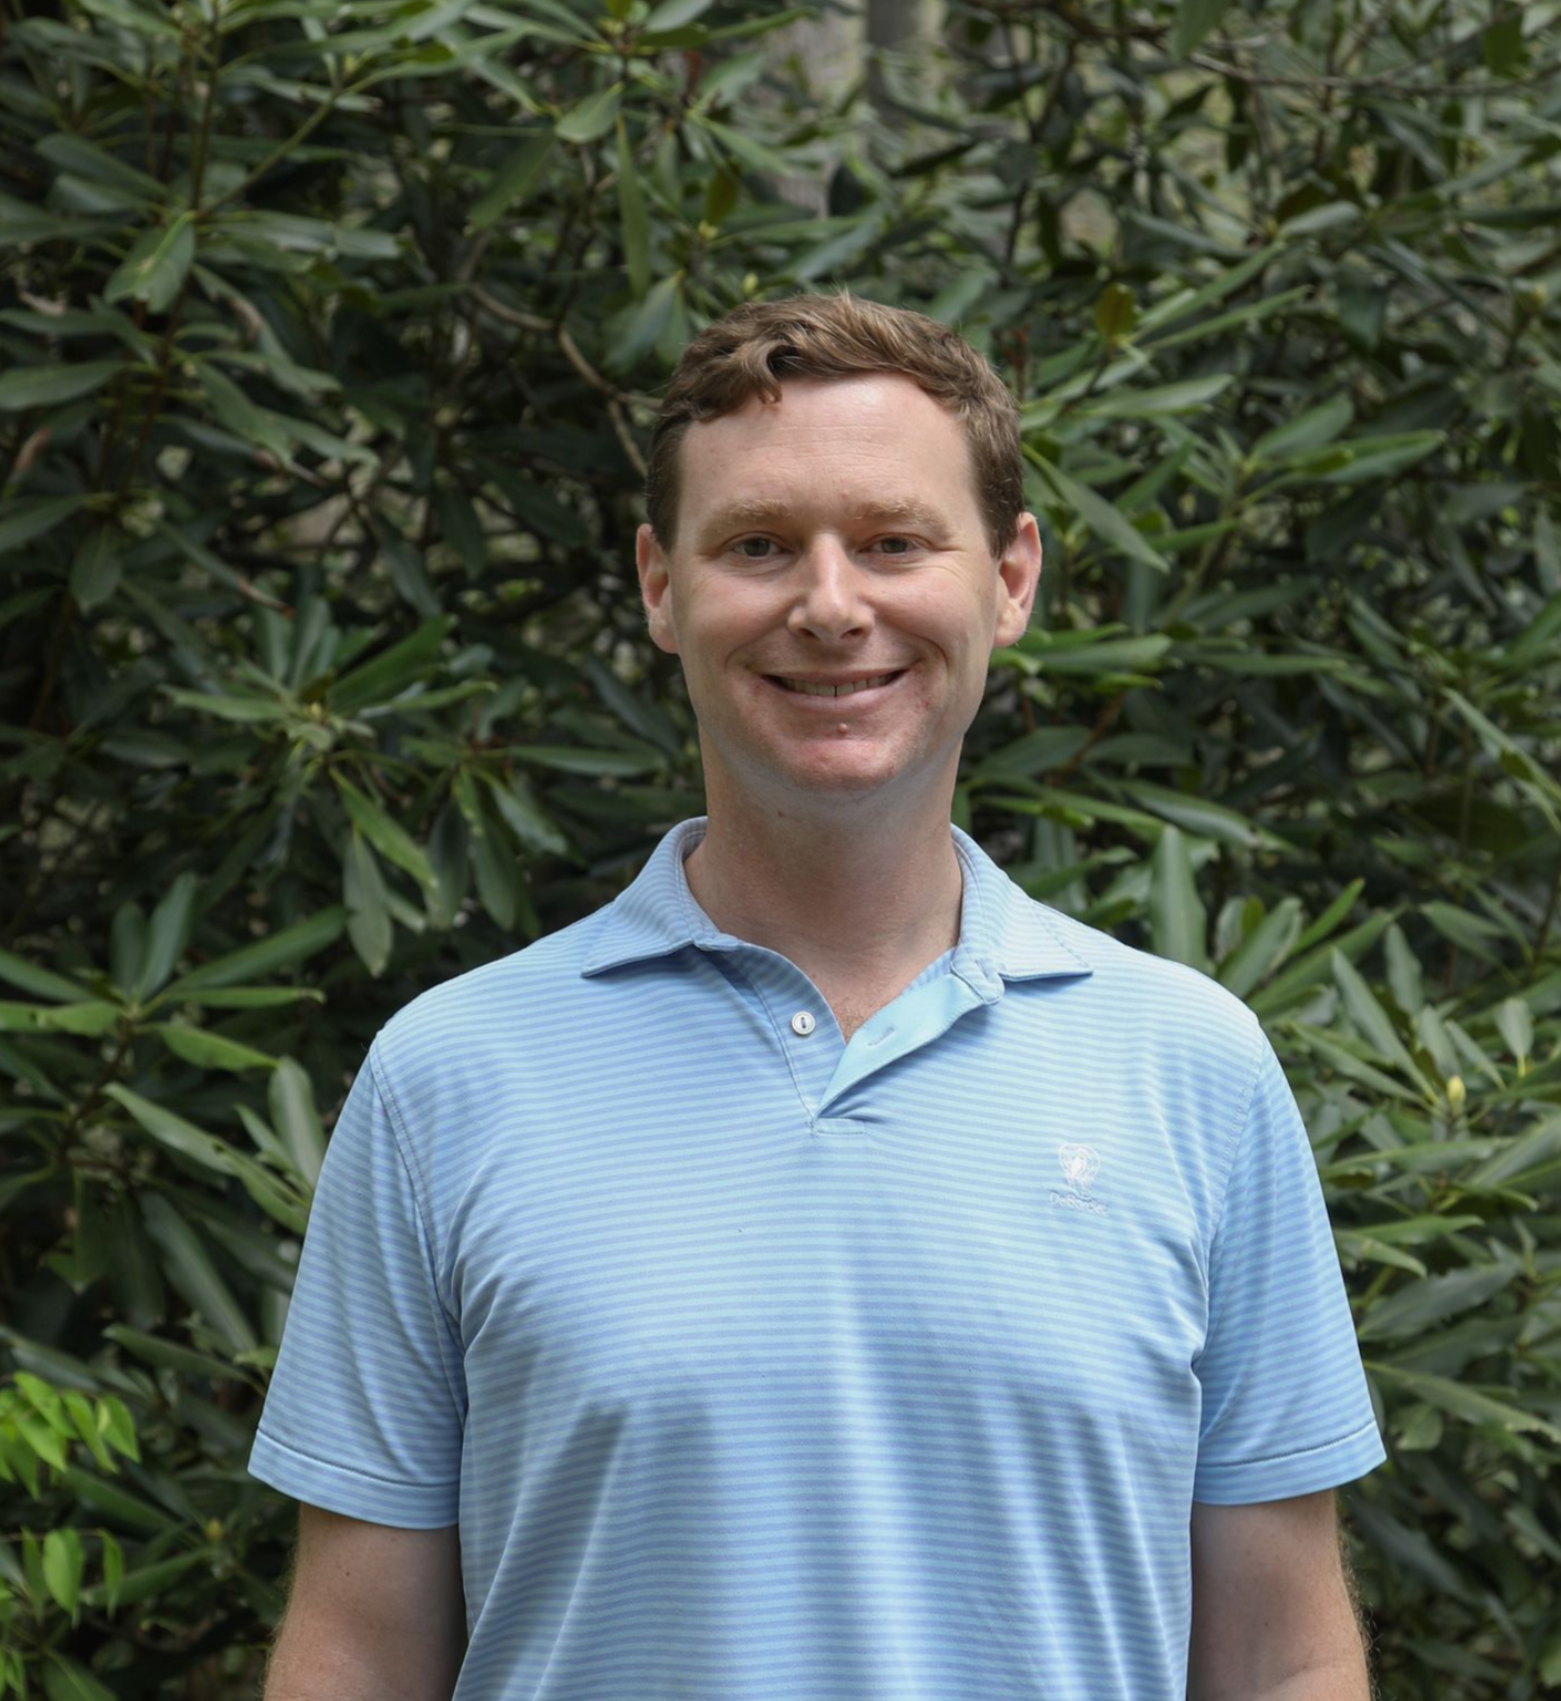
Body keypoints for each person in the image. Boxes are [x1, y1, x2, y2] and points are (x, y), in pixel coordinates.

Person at [248, 291, 1387, 1701]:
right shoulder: (451, 1077)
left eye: (895, 542)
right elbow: (357, 1655)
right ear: (661, 585)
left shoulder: (1194, 1068)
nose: (832, 606)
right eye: (759, 546)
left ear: (1011, 577)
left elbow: (1283, 1660)